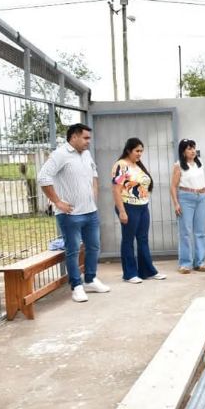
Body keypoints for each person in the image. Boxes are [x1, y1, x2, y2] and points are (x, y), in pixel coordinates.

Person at [38, 123, 110, 302]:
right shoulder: (60, 155)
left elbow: (94, 173)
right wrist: (57, 202)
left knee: (94, 246)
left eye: (89, 138)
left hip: (90, 212)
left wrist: (94, 195)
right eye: (85, 138)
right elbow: (43, 177)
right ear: (74, 137)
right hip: (70, 215)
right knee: (73, 250)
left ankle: (90, 280)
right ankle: (77, 286)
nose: (88, 142)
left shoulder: (86, 154)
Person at [111, 138, 167, 283]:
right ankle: (130, 273)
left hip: (143, 206)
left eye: (141, 151)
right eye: (137, 151)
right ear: (129, 150)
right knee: (128, 239)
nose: (139, 154)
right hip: (128, 206)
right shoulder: (121, 165)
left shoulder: (137, 166)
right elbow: (116, 190)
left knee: (143, 239)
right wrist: (122, 211)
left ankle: (147, 271)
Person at [170, 138, 205, 274]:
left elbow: (203, 181)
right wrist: (176, 203)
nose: (193, 151)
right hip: (186, 198)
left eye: (194, 148)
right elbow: (173, 186)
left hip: (200, 198)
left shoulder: (199, 164)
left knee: (200, 231)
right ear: (183, 152)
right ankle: (185, 263)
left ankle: (200, 262)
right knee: (185, 232)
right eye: (189, 148)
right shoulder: (178, 166)